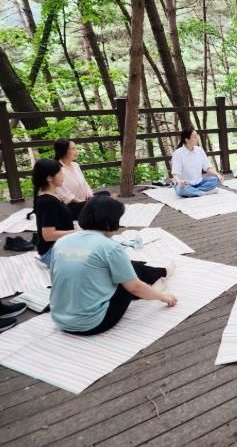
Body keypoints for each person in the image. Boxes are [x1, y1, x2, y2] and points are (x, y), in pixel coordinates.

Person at [49, 196, 177, 335]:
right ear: (111, 221)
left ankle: (156, 277)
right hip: (92, 324)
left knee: (123, 269)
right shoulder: (110, 247)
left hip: (60, 319)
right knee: (132, 273)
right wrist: (164, 297)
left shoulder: (62, 241)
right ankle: (162, 273)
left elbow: (54, 278)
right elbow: (134, 288)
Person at [28, 159, 75, 266]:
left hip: (61, 245)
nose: (63, 176)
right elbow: (48, 235)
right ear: (49, 178)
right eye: (60, 173)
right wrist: (77, 232)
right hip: (52, 252)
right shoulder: (48, 201)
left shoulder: (52, 195)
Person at [53, 138, 114, 220]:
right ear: (64, 151)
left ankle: (97, 209)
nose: (76, 151)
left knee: (105, 194)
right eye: (73, 149)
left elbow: (85, 184)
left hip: (84, 201)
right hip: (71, 206)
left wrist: (91, 197)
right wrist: (87, 203)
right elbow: (66, 196)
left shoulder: (75, 165)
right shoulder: (57, 169)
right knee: (100, 203)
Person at [171, 127, 223, 197]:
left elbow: (207, 168)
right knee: (181, 190)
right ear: (187, 139)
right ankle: (205, 192)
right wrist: (179, 181)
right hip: (185, 184)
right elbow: (175, 174)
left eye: (197, 136)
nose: (197, 138)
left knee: (216, 180)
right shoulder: (178, 153)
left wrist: (217, 174)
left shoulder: (199, 150)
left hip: (199, 182)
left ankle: (194, 192)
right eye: (195, 136)